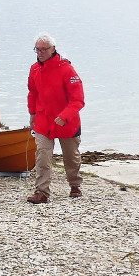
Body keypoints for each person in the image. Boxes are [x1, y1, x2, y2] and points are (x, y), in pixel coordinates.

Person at [26, 32, 85, 204]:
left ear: (53, 49)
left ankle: (75, 185)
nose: (40, 52)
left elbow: (78, 100)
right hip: (44, 121)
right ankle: (41, 192)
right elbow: (32, 93)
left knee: (71, 157)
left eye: (44, 49)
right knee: (42, 155)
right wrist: (32, 114)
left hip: (67, 122)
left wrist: (64, 115)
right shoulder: (34, 69)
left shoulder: (67, 69)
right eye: (37, 49)